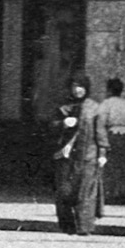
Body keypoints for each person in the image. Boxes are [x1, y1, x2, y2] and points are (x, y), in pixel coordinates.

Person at [52, 71, 108, 236]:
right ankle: (67, 226)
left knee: (86, 193)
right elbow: (51, 127)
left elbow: (101, 132)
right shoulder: (63, 107)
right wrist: (63, 123)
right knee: (65, 191)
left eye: (81, 86)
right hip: (66, 157)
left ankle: (85, 227)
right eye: (74, 86)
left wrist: (102, 153)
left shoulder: (95, 108)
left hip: (88, 155)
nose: (77, 90)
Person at [98, 77, 125, 204]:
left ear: (109, 90)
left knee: (113, 166)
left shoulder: (106, 104)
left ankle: (112, 193)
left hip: (114, 136)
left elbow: (101, 121)